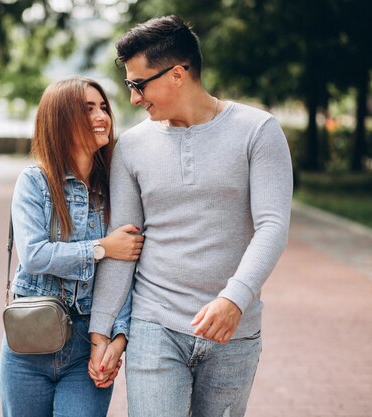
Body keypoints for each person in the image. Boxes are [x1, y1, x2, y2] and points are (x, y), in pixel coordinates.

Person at [88, 15, 293, 417]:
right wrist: (101, 331)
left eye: (138, 84)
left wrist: (234, 299)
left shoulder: (258, 130)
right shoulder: (131, 147)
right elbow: (124, 241)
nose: (133, 99)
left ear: (177, 74)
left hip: (234, 330)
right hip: (155, 324)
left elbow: (272, 225)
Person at [0, 77, 144, 417]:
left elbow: (127, 270)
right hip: (28, 345)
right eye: (88, 109)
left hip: (87, 345)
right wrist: (102, 247)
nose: (102, 116)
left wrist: (117, 339)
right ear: (61, 120)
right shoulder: (36, 181)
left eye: (103, 107)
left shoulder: (115, 189)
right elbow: (33, 255)